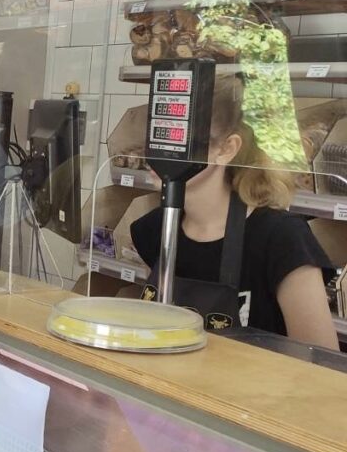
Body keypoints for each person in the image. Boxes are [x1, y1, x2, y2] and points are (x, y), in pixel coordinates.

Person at [131, 75, 339, 350]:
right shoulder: (154, 229)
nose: (159, 153)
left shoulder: (281, 239)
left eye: (181, 140)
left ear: (227, 149)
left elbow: (318, 363)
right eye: (157, 136)